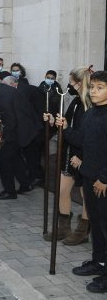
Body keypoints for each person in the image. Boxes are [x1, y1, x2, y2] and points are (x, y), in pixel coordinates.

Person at [57, 71, 107, 293]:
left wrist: (104, 178)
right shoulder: (90, 114)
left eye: (100, 87)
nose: (94, 91)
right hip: (89, 176)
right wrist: (66, 127)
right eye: (93, 87)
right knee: (96, 225)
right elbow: (81, 141)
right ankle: (99, 262)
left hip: (103, 182)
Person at [43, 67, 92, 245]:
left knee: (85, 194)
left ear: (81, 83)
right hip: (69, 153)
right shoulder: (77, 101)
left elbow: (89, 137)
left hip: (81, 156)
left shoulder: (90, 105)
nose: (69, 85)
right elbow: (66, 125)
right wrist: (53, 121)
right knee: (62, 190)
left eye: (72, 82)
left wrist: (82, 157)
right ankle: (63, 228)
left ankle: (83, 231)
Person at [0, 75, 39, 199]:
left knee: (3, 160)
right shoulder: (2, 90)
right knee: (16, 158)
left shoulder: (2, 96)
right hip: (23, 128)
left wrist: (5, 138)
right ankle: (25, 184)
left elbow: (10, 120)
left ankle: (10, 192)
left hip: (18, 131)